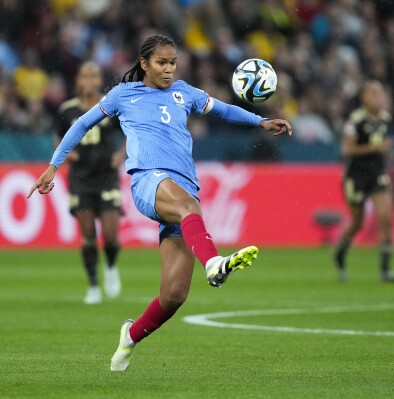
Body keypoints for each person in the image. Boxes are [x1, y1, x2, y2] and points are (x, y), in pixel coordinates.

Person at [27, 34, 293, 371]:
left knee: (174, 295)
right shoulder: (124, 95)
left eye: (172, 63)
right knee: (189, 209)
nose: (168, 70)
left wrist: (260, 121)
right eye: (161, 63)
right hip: (148, 181)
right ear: (144, 64)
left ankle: (130, 336)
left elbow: (223, 110)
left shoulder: (185, 92)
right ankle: (213, 263)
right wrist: (53, 166)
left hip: (183, 188)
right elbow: (81, 124)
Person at [55, 61, 126, 305]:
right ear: (77, 80)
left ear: (99, 80)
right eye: (84, 75)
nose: (88, 80)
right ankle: (94, 285)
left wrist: (121, 155)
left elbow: (129, 131)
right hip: (81, 178)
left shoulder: (110, 105)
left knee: (111, 235)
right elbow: (57, 139)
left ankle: (111, 267)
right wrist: (67, 154)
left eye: (93, 75)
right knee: (88, 234)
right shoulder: (67, 110)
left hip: (106, 176)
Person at [333, 80, 394, 283]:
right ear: (363, 98)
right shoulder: (355, 120)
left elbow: (383, 146)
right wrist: (377, 147)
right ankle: (340, 254)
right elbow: (347, 150)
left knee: (385, 217)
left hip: (377, 174)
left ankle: (385, 269)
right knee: (357, 224)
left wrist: (386, 153)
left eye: (380, 94)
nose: (378, 98)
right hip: (356, 176)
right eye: (373, 94)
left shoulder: (385, 119)